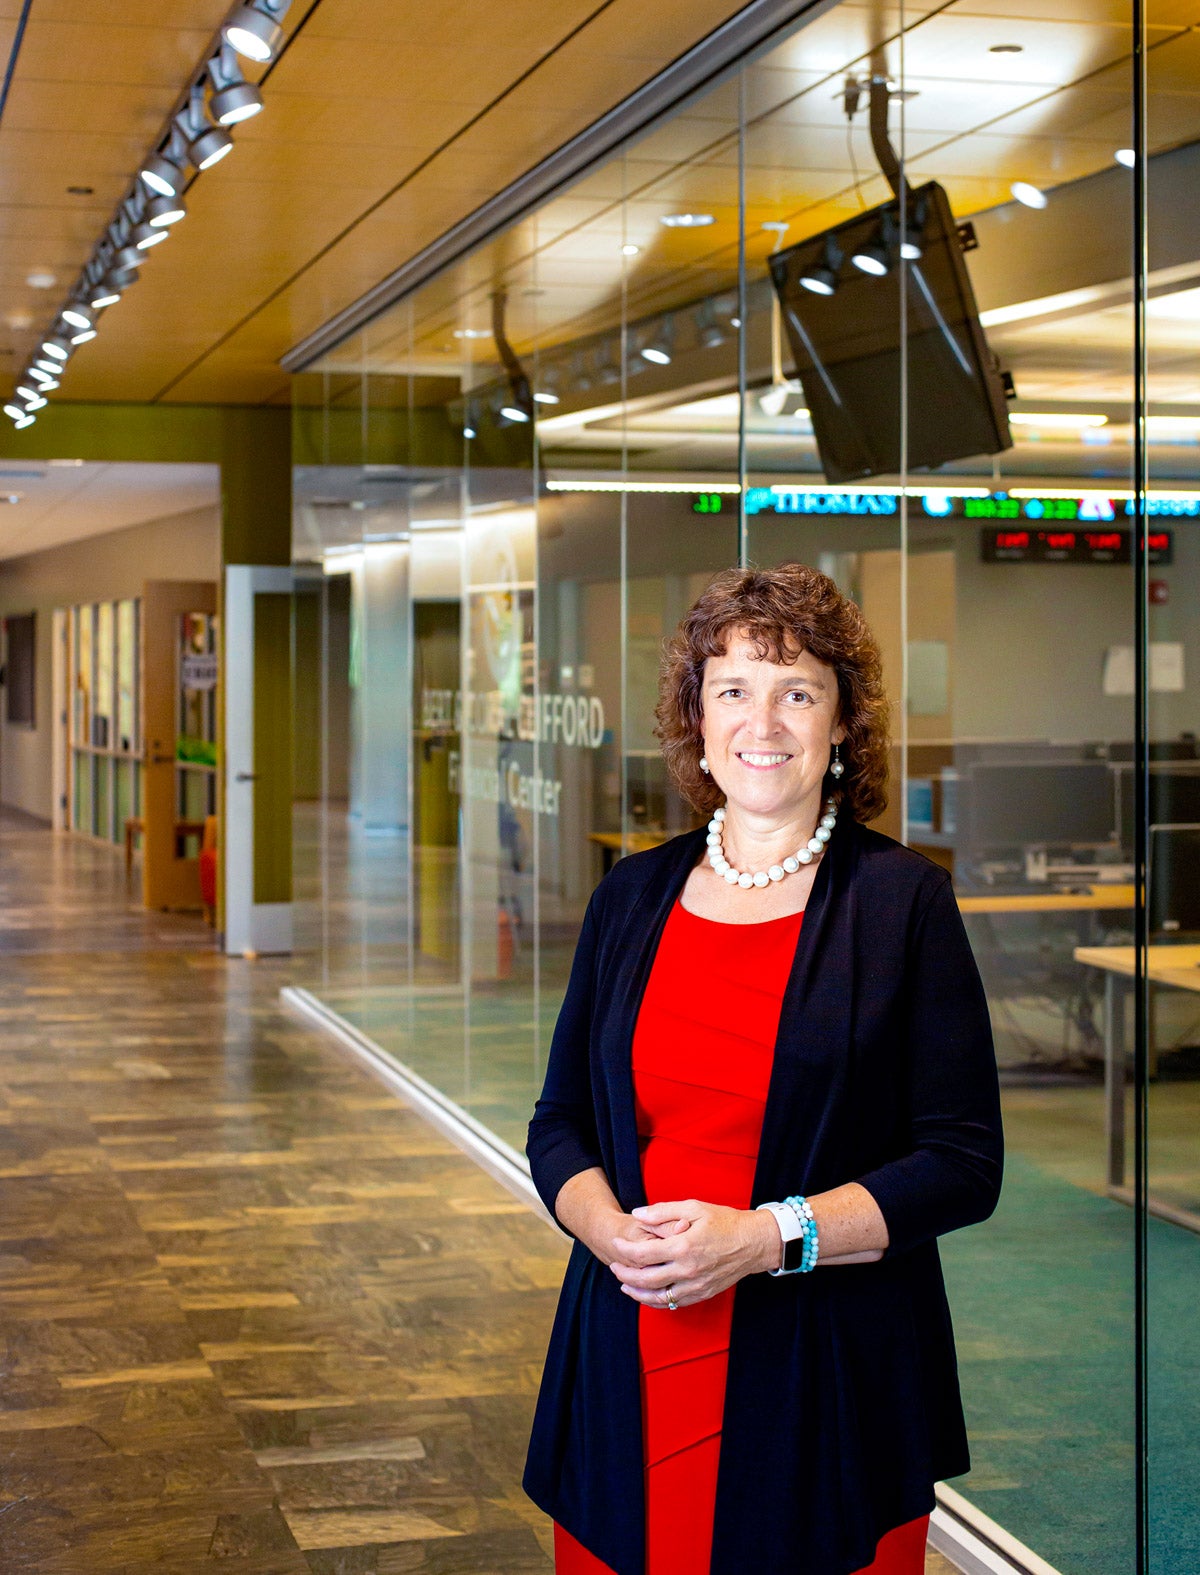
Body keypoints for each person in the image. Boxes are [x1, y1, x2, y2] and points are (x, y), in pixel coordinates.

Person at [524, 563, 1003, 1575]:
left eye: (798, 691)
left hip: (824, 1364)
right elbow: (559, 1119)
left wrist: (766, 1238)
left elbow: (962, 1162)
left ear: (841, 725)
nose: (764, 722)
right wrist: (610, 1234)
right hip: (631, 1342)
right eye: (732, 689)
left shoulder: (902, 903)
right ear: (697, 720)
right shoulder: (631, 897)